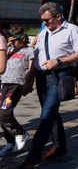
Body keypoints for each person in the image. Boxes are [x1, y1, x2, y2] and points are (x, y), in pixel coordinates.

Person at [20, 2, 78, 168]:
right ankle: (59, 146)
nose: (45, 23)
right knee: (50, 113)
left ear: (58, 17)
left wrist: (59, 61)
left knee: (46, 115)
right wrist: (29, 80)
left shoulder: (71, 30)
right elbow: (36, 58)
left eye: (47, 20)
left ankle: (32, 157)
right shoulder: (43, 33)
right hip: (42, 77)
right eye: (43, 20)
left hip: (59, 76)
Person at [0, 27, 33, 157]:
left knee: (4, 112)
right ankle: (10, 142)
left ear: (23, 38)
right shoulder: (8, 49)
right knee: (1, 115)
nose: (13, 43)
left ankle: (20, 132)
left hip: (16, 85)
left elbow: (32, 70)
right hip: (3, 84)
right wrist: (7, 45)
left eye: (15, 40)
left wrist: (28, 84)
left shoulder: (29, 51)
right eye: (11, 41)